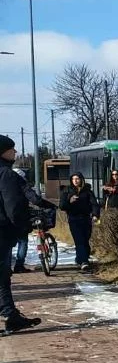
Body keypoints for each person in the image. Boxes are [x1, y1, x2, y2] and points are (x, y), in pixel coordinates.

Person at [0, 136, 41, 332]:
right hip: (2, 232)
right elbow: (13, 206)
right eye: (12, 149)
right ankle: (11, 315)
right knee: (1, 275)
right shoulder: (6, 174)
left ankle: (11, 314)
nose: (15, 153)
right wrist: (21, 227)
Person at [11, 169, 55, 273]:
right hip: (20, 218)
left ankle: (6, 267)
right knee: (23, 242)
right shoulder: (23, 186)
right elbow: (35, 199)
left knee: (7, 244)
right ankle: (19, 266)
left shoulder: (4, 184)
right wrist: (49, 205)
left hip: (6, 219)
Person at [59, 172, 99, 272]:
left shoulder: (88, 191)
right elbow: (62, 206)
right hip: (74, 218)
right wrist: (70, 201)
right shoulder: (67, 191)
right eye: (73, 179)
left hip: (86, 218)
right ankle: (84, 262)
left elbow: (94, 204)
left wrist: (95, 215)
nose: (75, 181)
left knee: (85, 240)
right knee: (79, 240)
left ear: (81, 179)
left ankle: (80, 259)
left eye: (77, 179)